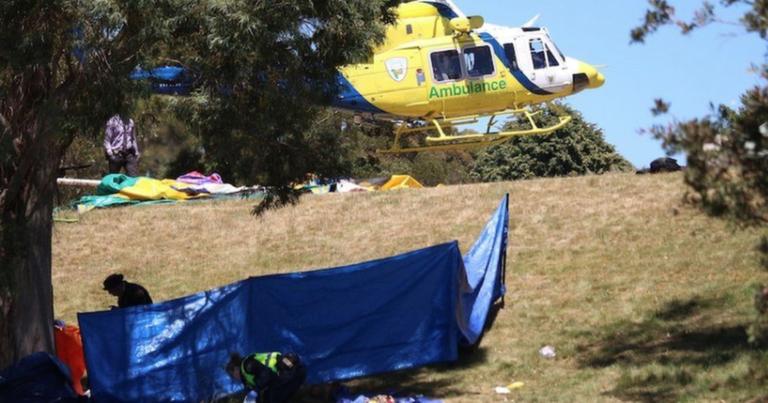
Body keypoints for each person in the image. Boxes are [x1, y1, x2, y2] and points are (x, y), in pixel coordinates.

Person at [226, 351, 306, 403]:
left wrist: (255, 391)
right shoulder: (246, 378)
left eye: (232, 375)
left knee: (270, 398)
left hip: (291, 373)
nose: (234, 378)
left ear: (236, 369)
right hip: (287, 377)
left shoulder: (248, 365)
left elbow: (265, 374)